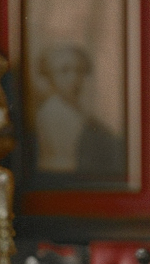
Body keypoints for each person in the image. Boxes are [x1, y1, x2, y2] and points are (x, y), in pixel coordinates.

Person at [33, 44, 125, 179]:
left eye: (80, 71)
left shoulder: (77, 109)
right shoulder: (51, 113)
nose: (75, 78)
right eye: (65, 71)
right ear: (49, 75)